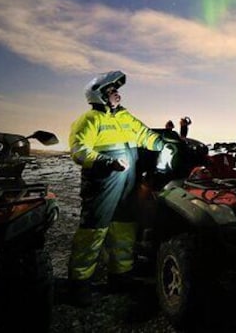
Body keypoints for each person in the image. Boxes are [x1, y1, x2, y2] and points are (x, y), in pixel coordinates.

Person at [67, 70, 176, 307]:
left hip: (127, 177)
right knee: (93, 230)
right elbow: (78, 150)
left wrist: (163, 143)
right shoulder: (89, 119)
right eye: (111, 90)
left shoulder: (124, 116)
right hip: (102, 180)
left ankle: (120, 277)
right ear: (100, 95)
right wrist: (106, 162)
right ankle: (79, 285)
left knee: (124, 228)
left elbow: (144, 134)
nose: (117, 94)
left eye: (116, 90)